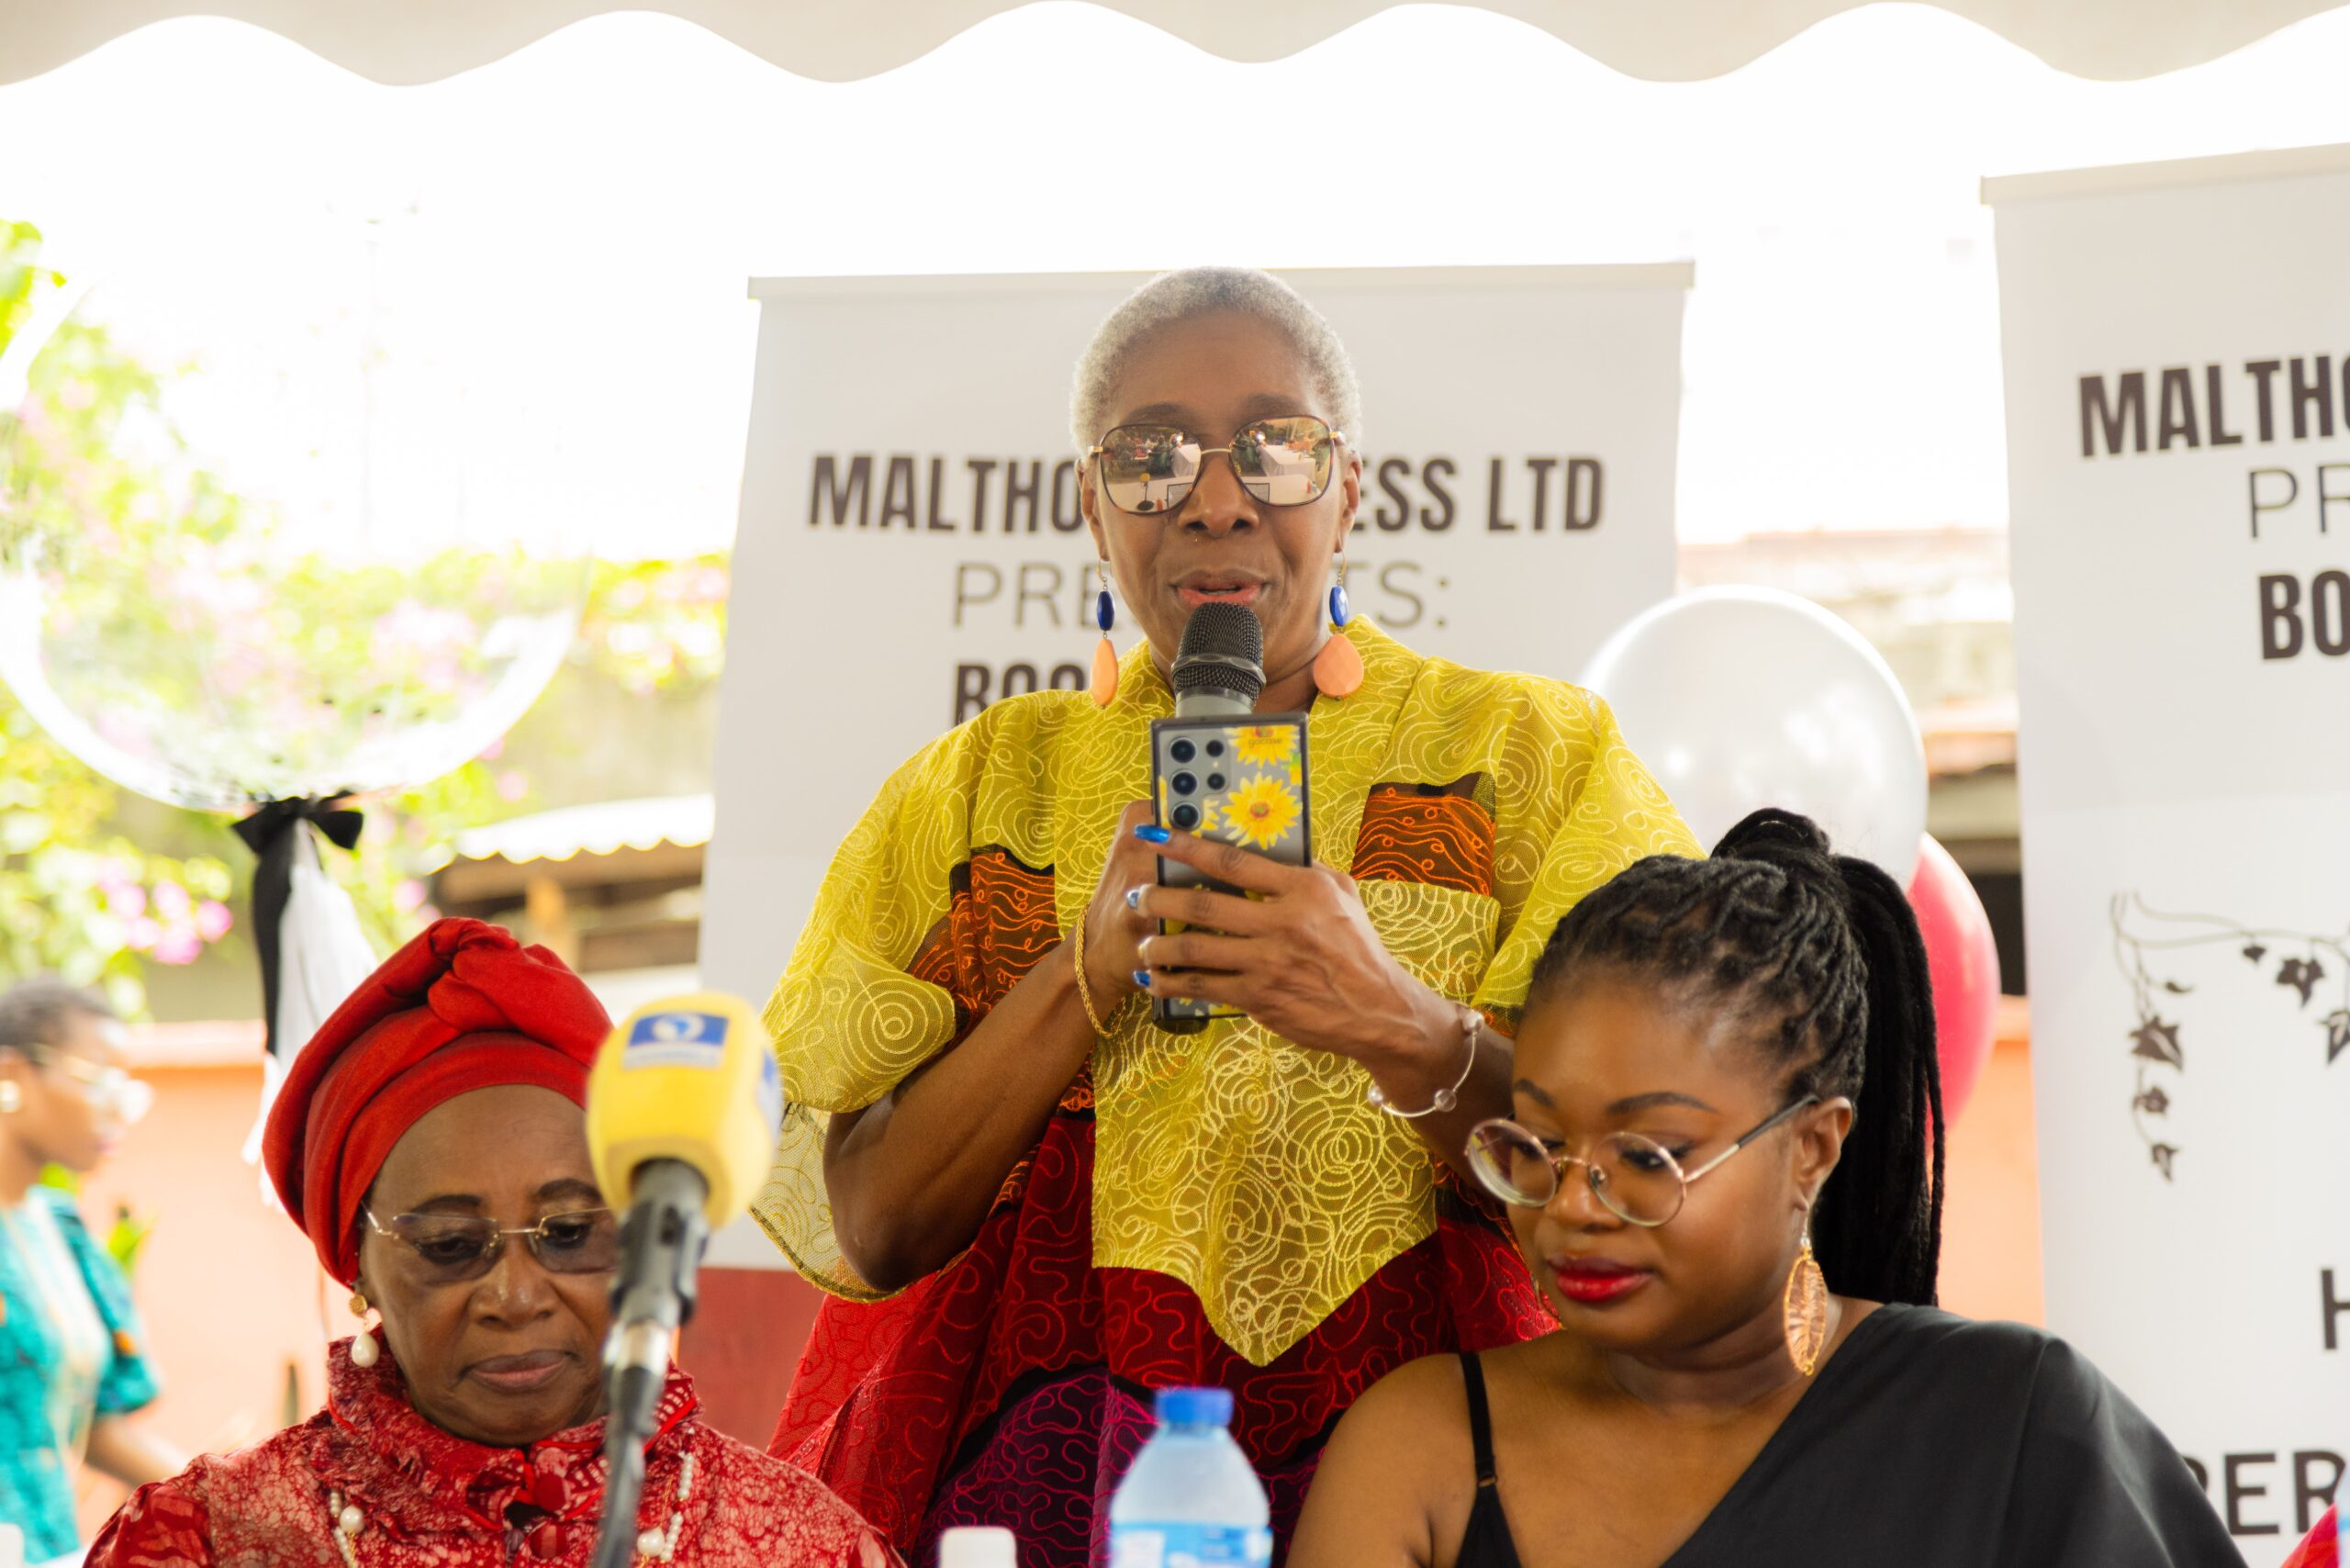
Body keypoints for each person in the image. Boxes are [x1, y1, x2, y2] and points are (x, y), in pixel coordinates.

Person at [756, 265, 1696, 1563]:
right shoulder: (978, 791)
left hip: (1449, 1481)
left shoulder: (1530, 759)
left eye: (1275, 447)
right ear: (1090, 506)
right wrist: (1082, 978)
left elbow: (1654, 1176)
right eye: (1150, 459)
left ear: (1349, 488)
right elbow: (871, 1229)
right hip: (1044, 1494)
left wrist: (1393, 1021)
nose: (1214, 499)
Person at [1288, 810, 2244, 1568]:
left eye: (1649, 1156)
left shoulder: (2015, 1422)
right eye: (1538, 1145)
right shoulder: (1426, 1445)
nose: (1571, 1205)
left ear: (1812, 1147)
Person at [88, 918, 896, 1567]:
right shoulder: (207, 1541)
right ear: (358, 1264)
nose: (516, 1296)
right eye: (449, 1245)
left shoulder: (800, 1547)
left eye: (569, 1233)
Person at [0, 978, 180, 1568]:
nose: (118, 1107)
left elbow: (98, 1427)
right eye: (99, 1079)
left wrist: (226, 1501)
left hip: (49, 1550)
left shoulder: (61, 1231)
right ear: (12, 1075)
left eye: (126, 1087)